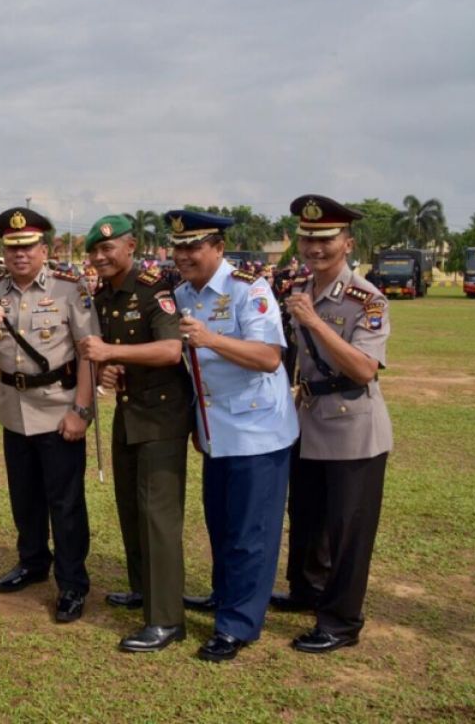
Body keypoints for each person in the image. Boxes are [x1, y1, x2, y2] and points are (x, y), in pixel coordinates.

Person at [166, 210, 298, 662]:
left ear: (218, 248)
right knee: (221, 524)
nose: (183, 255)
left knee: (250, 532)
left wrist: (211, 339)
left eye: (193, 247)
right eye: (178, 247)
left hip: (258, 431)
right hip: (215, 431)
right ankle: (225, 594)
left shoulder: (249, 289)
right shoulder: (183, 293)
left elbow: (268, 357)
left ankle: (238, 625)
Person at [0, 208, 97, 622]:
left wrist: (82, 411)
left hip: (58, 409)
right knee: (25, 499)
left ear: (43, 249)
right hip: (13, 411)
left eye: (28, 246)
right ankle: (32, 562)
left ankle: (72, 583)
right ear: (4, 249)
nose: (20, 254)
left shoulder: (70, 289)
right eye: (13, 247)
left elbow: (89, 355)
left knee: (66, 503)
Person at [274, 195, 393, 654]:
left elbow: (364, 369)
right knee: (305, 516)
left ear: (347, 242)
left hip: (353, 426)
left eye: (325, 239)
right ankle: (307, 591)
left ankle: (342, 620)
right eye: (307, 237)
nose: (314, 247)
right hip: (307, 419)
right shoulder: (296, 285)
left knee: (348, 531)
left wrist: (314, 322)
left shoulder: (368, 298)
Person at [79, 214, 193, 652]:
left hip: (161, 418)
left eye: (109, 248)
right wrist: (112, 369)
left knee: (158, 518)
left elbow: (169, 349)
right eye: (95, 250)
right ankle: (145, 590)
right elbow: (124, 355)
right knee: (131, 508)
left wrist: (110, 351)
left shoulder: (153, 289)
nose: (101, 257)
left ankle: (166, 620)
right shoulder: (105, 295)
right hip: (130, 413)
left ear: (130, 247)